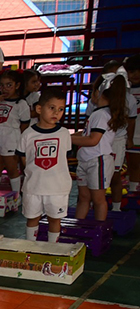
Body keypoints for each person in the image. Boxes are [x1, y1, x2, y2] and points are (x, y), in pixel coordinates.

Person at [17, 88, 72, 242]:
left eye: (61, 109)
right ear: (39, 109)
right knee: (32, 219)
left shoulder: (64, 133)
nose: (56, 113)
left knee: (55, 220)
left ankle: (52, 248)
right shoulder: (28, 134)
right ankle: (30, 247)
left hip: (57, 188)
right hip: (33, 187)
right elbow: (23, 158)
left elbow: (63, 158)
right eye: (52, 108)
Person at [72, 73, 127, 222]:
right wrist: (66, 135)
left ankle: (99, 229)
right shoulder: (98, 114)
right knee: (84, 197)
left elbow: (93, 140)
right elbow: (86, 133)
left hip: (97, 161)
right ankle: (78, 226)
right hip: (86, 160)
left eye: (92, 91)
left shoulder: (102, 114)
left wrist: (68, 139)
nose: (91, 94)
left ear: (99, 92)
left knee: (98, 199)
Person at [87, 62, 136, 211]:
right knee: (92, 174)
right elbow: (88, 122)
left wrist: (130, 139)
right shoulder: (95, 101)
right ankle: (89, 204)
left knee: (114, 175)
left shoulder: (129, 99)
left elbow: (131, 121)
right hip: (97, 140)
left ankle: (116, 208)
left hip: (116, 141)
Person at [0, 69, 31, 197]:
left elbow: (25, 125)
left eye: (9, 85)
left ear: (17, 85)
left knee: (12, 170)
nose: (4, 89)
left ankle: (17, 196)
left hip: (11, 140)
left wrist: (20, 143)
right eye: (2, 85)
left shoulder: (21, 104)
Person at [126, 55, 140, 195]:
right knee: (130, 165)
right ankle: (131, 189)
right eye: (132, 71)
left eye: (138, 71)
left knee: (136, 165)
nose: (135, 75)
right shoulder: (125, 92)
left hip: (137, 134)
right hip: (128, 135)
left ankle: (134, 190)